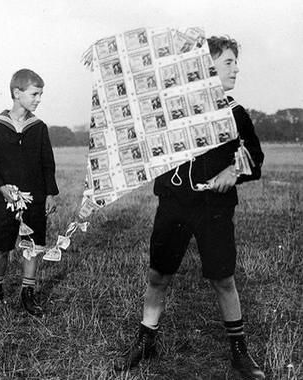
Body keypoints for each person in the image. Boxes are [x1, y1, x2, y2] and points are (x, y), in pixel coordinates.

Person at [114, 36, 265, 380]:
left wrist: (234, 170)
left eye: (234, 62)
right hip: (174, 204)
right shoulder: (169, 108)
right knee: (158, 275)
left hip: (214, 208)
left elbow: (255, 158)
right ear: (204, 67)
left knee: (223, 279)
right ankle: (145, 341)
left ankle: (239, 352)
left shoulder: (235, 112)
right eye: (228, 62)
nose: (236, 68)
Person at [0, 69, 59, 316]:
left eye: (41, 94)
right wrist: (1, 188)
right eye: (34, 93)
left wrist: (50, 194)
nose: (38, 99)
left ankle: (27, 293)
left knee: (31, 246)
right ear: (16, 93)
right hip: (5, 199)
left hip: (35, 197)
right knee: (1, 247)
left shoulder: (39, 127)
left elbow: (47, 162)